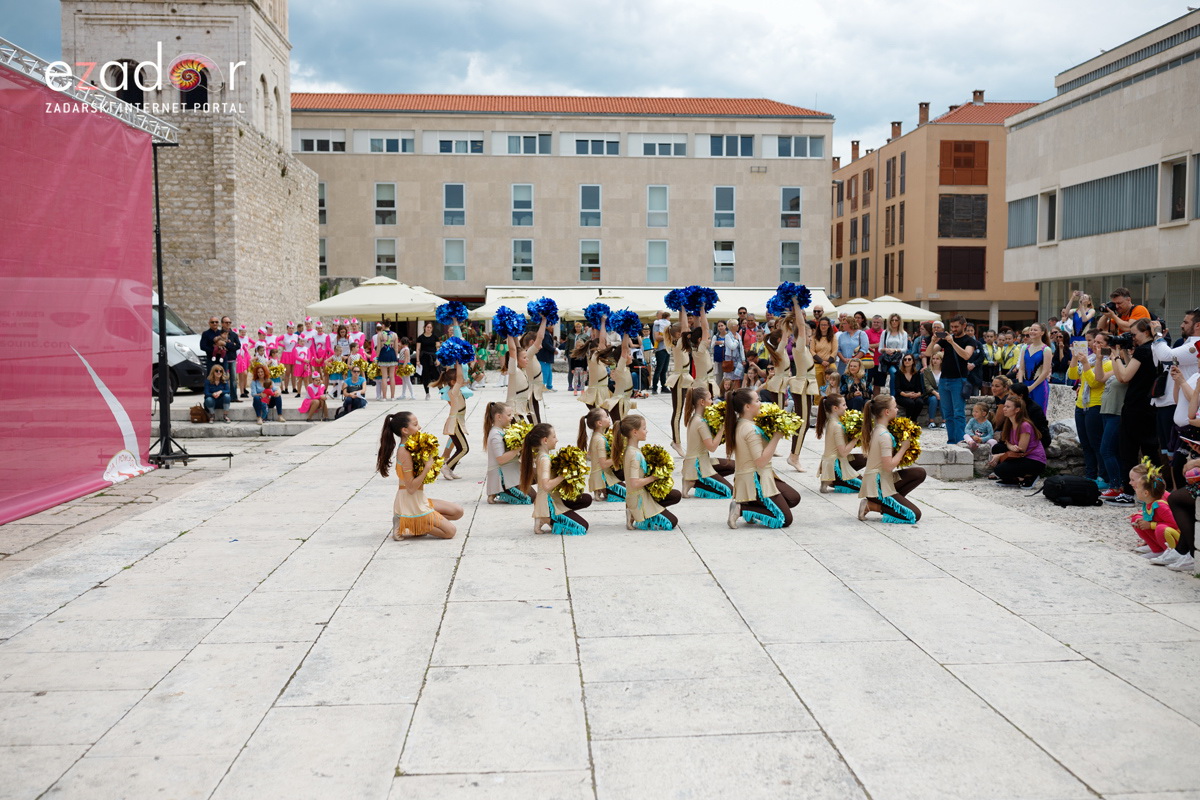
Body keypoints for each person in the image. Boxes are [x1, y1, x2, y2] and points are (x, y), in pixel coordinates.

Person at [376, 412, 462, 540]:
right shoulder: (404, 452)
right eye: (415, 425)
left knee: (457, 511)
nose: (420, 427)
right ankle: (405, 522)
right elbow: (411, 488)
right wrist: (427, 467)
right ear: (405, 430)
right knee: (450, 532)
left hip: (419, 498)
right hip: (410, 502)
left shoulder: (414, 445)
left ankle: (415, 522)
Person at [724, 387, 801, 529]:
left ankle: (752, 504)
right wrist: (777, 436)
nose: (761, 403)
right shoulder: (750, 429)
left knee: (793, 497)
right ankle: (742, 509)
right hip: (756, 479)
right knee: (785, 519)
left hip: (761, 474)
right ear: (747, 407)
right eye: (757, 401)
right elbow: (760, 461)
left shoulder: (743, 423)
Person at [1110, 319, 1160, 505]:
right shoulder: (1155, 349)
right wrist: (1124, 352)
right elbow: (1133, 373)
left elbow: (1124, 377)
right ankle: (1154, 492)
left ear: (1146, 332)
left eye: (1134, 335)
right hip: (1150, 407)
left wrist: (1115, 356)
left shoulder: (1143, 350)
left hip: (1135, 407)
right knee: (1149, 451)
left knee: (1128, 450)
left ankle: (1128, 492)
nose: (1132, 338)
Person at [857, 394, 926, 524]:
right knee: (914, 515)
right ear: (887, 412)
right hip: (876, 487)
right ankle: (872, 505)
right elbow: (888, 466)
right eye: (895, 407)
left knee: (919, 473)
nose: (897, 409)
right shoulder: (884, 435)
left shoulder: (879, 429)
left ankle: (893, 502)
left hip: (883, 479)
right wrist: (903, 448)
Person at [519, 423, 593, 535]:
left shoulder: (542, 455)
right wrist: (564, 475)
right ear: (545, 440)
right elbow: (546, 485)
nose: (557, 440)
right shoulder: (545, 459)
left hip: (555, 497)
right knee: (582, 527)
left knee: (586, 499)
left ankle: (560, 517)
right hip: (549, 503)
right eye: (554, 437)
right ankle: (546, 519)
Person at [613, 414, 682, 530]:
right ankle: (636, 512)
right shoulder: (634, 455)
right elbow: (634, 483)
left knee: (675, 495)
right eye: (644, 428)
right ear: (635, 432)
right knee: (672, 522)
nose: (647, 431)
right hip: (639, 498)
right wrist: (654, 477)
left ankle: (649, 512)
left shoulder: (633, 450)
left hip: (643, 492)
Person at [925, 315, 976, 444]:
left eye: (956, 327)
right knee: (947, 413)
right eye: (952, 326)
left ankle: (960, 440)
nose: (953, 329)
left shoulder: (969, 341)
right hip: (944, 380)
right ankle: (951, 440)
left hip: (958, 380)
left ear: (964, 326)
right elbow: (928, 353)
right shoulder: (946, 339)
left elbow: (966, 355)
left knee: (958, 413)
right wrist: (933, 341)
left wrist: (952, 342)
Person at [1068, 338, 1109, 488]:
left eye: (1100, 343)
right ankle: (1090, 475)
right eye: (1095, 342)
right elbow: (1072, 376)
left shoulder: (1108, 363)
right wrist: (1074, 357)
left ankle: (1103, 477)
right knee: (1085, 444)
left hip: (1095, 405)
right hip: (1081, 404)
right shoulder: (1090, 358)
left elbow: (1094, 382)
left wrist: (1085, 363)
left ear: (1108, 346)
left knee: (1096, 443)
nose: (1096, 345)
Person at [681, 386, 734, 499]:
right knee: (729, 491)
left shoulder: (695, 418)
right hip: (698, 465)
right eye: (710, 399)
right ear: (702, 402)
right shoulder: (700, 422)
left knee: (732, 465)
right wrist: (722, 428)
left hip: (702, 460)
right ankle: (693, 482)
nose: (712, 402)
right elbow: (712, 447)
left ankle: (702, 480)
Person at [988, 395, 1046, 488]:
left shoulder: (1025, 425)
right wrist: (1010, 446)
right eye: (1005, 406)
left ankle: (1030, 476)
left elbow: (1021, 450)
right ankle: (1013, 479)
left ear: (1017, 410)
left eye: (1008, 407)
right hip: (1020, 456)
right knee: (997, 448)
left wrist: (1000, 456)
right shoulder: (1010, 424)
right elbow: (1006, 442)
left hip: (1033, 460)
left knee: (999, 470)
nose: (1004, 409)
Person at [1128, 461, 1181, 562]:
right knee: (1137, 519)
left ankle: (1169, 552)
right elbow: (1153, 514)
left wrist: (1151, 525)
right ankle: (1156, 548)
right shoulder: (1150, 497)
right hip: (1163, 525)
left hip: (1176, 533)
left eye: (1133, 480)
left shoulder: (1160, 501)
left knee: (1160, 529)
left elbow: (1175, 523)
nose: (1130, 483)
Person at [484, 401, 532, 505]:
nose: (512, 417)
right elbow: (500, 459)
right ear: (499, 417)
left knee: (537, 473)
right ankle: (500, 490)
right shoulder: (496, 435)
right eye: (509, 415)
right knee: (532, 498)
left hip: (512, 471)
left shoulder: (503, 430)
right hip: (504, 476)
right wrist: (520, 447)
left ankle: (496, 492)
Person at [816, 393, 865, 493]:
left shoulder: (830, 421)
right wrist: (856, 437)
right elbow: (843, 452)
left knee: (865, 458)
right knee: (869, 487)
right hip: (836, 467)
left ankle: (828, 480)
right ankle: (834, 480)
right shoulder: (837, 426)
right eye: (844, 405)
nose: (846, 407)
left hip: (830, 462)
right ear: (835, 408)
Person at [578, 406, 624, 502]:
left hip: (605, 476)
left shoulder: (596, 436)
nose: (609, 418)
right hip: (604, 479)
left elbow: (590, 455)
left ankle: (603, 490)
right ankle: (604, 490)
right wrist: (619, 456)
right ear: (599, 423)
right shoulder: (599, 440)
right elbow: (603, 464)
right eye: (606, 417)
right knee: (632, 495)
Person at [666, 312, 696, 454]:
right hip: (679, 379)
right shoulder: (678, 343)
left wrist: (681, 310)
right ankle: (676, 441)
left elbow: (683, 327)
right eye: (686, 330)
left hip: (685, 378)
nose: (689, 331)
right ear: (679, 334)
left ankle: (687, 440)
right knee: (677, 411)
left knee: (688, 409)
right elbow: (684, 328)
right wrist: (683, 308)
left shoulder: (681, 343)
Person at [435, 364, 469, 480]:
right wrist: (458, 361)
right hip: (455, 423)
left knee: (460, 448)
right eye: (460, 379)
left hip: (457, 422)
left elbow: (459, 378)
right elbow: (459, 378)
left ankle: (450, 469)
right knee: (464, 449)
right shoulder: (453, 391)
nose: (463, 380)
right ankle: (446, 467)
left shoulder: (455, 390)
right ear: (454, 382)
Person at [521, 315, 550, 423]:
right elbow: (540, 337)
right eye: (539, 344)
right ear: (532, 342)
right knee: (536, 422)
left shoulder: (529, 354)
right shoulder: (528, 353)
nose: (541, 346)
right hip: (530, 393)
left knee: (536, 420)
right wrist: (544, 320)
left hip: (533, 393)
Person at [603, 327, 634, 426]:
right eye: (629, 354)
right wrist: (626, 331)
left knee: (621, 427)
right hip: (619, 402)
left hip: (623, 401)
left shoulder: (624, 368)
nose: (631, 356)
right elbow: (624, 349)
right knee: (620, 427)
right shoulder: (620, 368)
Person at [877, 313, 910, 395]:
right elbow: (880, 349)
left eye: (896, 320)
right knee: (893, 373)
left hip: (899, 359)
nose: (894, 322)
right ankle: (893, 395)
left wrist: (895, 350)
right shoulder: (885, 332)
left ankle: (896, 394)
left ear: (899, 322)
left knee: (898, 376)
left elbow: (905, 349)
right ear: (890, 321)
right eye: (892, 320)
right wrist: (886, 349)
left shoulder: (903, 333)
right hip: (887, 360)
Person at [893, 354, 924, 421]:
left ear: (913, 361)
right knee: (910, 403)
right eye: (905, 359)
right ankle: (908, 420)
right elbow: (897, 389)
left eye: (909, 359)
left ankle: (913, 420)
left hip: (913, 394)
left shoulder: (916, 374)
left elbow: (919, 388)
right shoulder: (899, 373)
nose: (907, 361)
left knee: (920, 402)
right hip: (902, 395)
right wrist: (906, 395)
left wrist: (918, 394)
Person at [810, 316, 838, 389]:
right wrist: (821, 361)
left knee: (832, 386)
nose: (823, 326)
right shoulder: (814, 337)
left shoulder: (833, 337)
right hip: (818, 364)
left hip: (830, 364)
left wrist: (828, 362)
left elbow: (835, 350)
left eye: (825, 325)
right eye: (821, 325)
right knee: (817, 387)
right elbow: (812, 350)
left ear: (828, 326)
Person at [374, 322, 399, 401]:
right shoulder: (394, 334)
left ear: (383, 325)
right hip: (392, 354)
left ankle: (384, 397)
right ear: (390, 325)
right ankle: (392, 397)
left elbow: (378, 348)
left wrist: (377, 357)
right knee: (392, 376)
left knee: (384, 377)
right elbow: (396, 348)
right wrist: (396, 357)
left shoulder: (380, 334)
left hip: (383, 354)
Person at [721, 319, 746, 395]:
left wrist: (743, 359)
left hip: (738, 360)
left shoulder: (738, 335)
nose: (738, 326)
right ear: (732, 326)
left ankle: (737, 394)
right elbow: (732, 347)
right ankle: (729, 395)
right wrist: (736, 340)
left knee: (738, 379)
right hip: (730, 360)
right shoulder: (727, 336)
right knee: (729, 380)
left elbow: (741, 348)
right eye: (737, 325)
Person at [415, 321, 439, 400]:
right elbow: (418, 349)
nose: (429, 329)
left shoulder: (435, 337)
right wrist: (418, 360)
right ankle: (427, 393)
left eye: (430, 327)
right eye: (427, 327)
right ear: (424, 327)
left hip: (433, 357)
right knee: (425, 376)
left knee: (436, 375)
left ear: (432, 329)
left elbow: (438, 348)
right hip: (424, 358)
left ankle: (442, 391)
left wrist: (438, 359)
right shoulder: (420, 337)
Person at [921, 352, 944, 428]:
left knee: (943, 398)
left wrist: (940, 393)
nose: (935, 360)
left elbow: (946, 383)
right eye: (933, 359)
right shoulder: (927, 370)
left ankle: (944, 421)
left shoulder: (945, 370)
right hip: (930, 393)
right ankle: (931, 422)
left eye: (937, 359)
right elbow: (927, 385)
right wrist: (936, 393)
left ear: (941, 360)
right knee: (934, 399)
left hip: (942, 392)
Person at [565, 321, 588, 394]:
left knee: (580, 369)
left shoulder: (584, 336)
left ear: (581, 328)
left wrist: (586, 353)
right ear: (574, 328)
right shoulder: (570, 335)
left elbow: (587, 345)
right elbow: (567, 345)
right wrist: (565, 354)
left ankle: (579, 384)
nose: (578, 328)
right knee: (571, 369)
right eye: (576, 327)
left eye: (579, 327)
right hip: (572, 354)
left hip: (581, 354)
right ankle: (570, 385)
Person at [651, 310, 671, 394]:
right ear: (658, 315)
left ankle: (664, 386)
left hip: (667, 348)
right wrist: (668, 337)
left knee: (664, 369)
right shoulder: (657, 324)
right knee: (659, 369)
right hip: (660, 348)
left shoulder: (666, 324)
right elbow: (657, 337)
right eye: (662, 314)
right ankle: (654, 387)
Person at [536, 323, 556, 392]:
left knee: (549, 372)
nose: (553, 327)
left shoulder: (548, 333)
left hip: (547, 356)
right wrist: (554, 350)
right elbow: (546, 344)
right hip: (544, 356)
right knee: (545, 372)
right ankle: (543, 386)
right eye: (551, 325)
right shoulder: (545, 334)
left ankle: (549, 386)